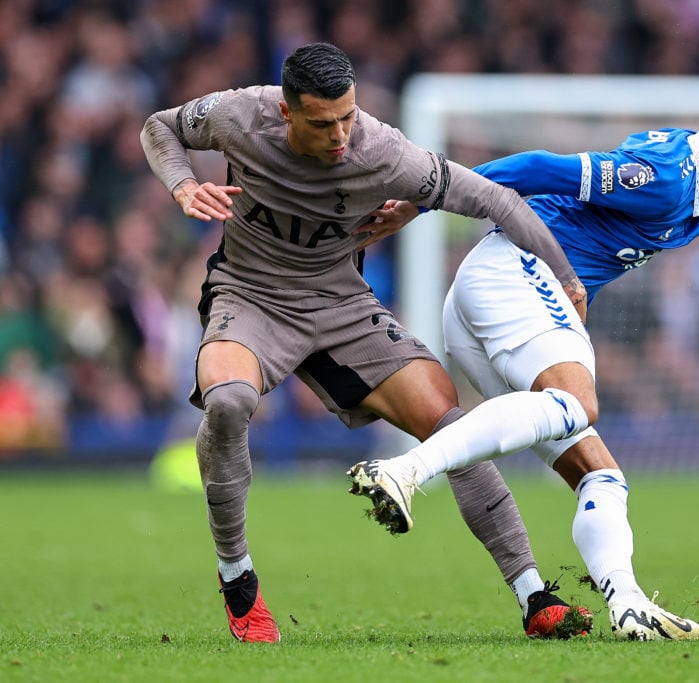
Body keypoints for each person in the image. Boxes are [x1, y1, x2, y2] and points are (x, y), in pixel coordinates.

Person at [139, 42, 594, 643]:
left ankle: (534, 595)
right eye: (323, 123)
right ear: (286, 112)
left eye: (348, 117)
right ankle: (237, 577)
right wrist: (180, 184)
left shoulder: (383, 151)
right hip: (251, 296)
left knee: (449, 423)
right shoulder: (237, 115)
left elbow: (497, 200)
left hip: (342, 306)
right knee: (226, 403)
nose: (340, 137)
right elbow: (160, 127)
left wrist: (566, 278)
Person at [348, 88, 699, 641]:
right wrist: (420, 203)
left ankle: (629, 606)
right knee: (577, 403)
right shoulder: (663, 178)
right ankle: (405, 470)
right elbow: (535, 167)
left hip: (484, 294)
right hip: (518, 271)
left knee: (601, 476)